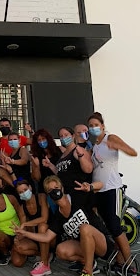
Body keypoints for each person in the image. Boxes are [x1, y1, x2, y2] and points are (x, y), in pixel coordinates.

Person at [13, 175, 114, 276]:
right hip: (86, 248)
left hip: (102, 244)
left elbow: (101, 184)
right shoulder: (58, 215)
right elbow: (46, 237)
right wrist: (24, 233)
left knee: (84, 228)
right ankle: (90, 262)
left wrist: (90, 187)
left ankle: (87, 271)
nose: (54, 191)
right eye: (50, 190)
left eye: (56, 188)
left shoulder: (77, 196)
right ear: (48, 195)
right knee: (61, 250)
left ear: (62, 188)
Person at [88, 112, 138, 274]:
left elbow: (132, 152)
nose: (93, 127)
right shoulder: (95, 145)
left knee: (115, 226)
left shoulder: (111, 138)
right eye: (91, 125)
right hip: (99, 191)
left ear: (102, 126)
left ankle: (130, 265)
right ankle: (119, 261)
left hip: (112, 189)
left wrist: (119, 146)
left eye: (96, 124)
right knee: (109, 227)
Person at [43, 127, 93, 208]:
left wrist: (81, 156)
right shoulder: (63, 154)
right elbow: (61, 172)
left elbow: (88, 169)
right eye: (61, 136)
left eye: (66, 135)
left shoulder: (78, 150)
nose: (63, 138)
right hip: (67, 194)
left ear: (72, 136)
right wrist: (50, 165)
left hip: (80, 192)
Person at [11, 180, 52, 276]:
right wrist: (18, 236)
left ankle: (44, 264)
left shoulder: (41, 197)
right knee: (19, 247)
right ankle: (45, 255)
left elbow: (44, 219)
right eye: (20, 192)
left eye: (25, 189)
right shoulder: (22, 208)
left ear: (30, 188)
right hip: (35, 237)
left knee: (42, 226)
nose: (24, 193)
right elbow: (23, 227)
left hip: (49, 235)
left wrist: (26, 224)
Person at [30, 128, 62, 194]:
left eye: (43, 139)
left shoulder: (59, 150)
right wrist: (36, 166)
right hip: (44, 188)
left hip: (59, 185)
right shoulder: (36, 156)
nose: (42, 142)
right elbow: (37, 178)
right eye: (39, 140)